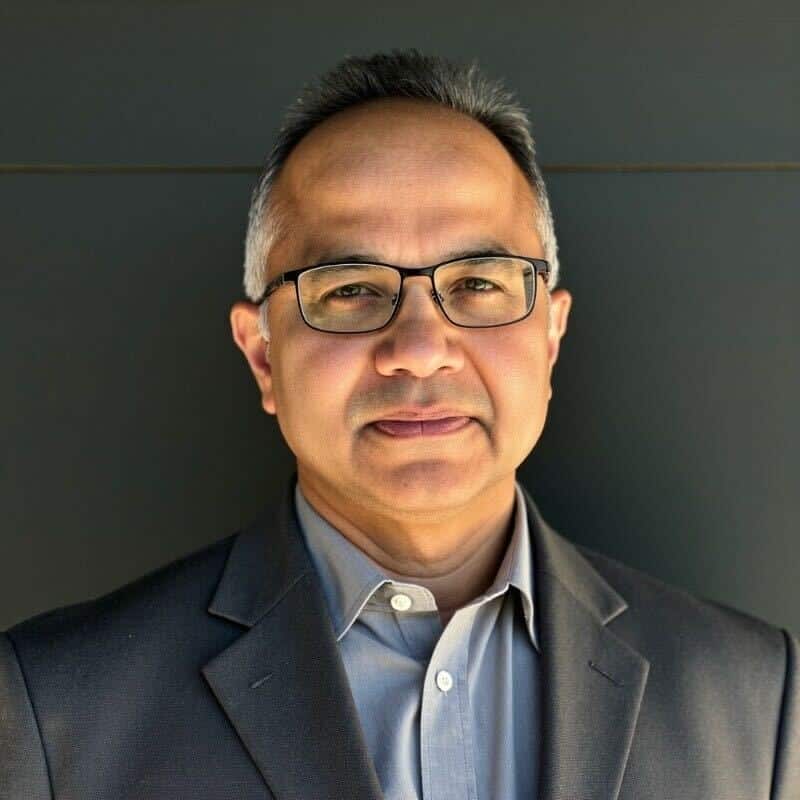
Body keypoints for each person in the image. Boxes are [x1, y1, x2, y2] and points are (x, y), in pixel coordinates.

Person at [1, 48, 797, 800]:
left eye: (480, 281)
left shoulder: (754, 701)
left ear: (550, 338)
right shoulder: (57, 711)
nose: (418, 351)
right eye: (349, 287)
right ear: (262, 356)